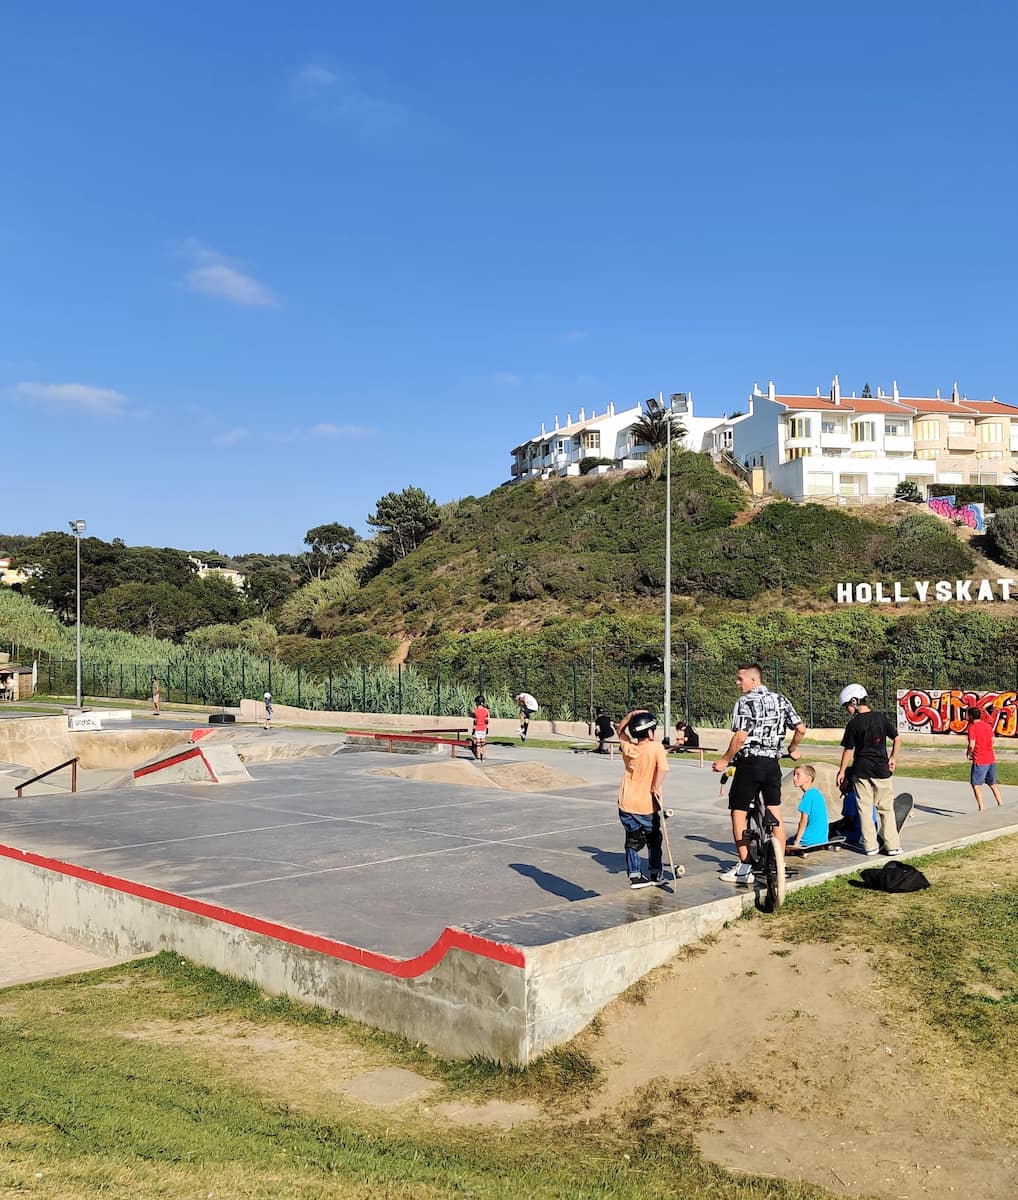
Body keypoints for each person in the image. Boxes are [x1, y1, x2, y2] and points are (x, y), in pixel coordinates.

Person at [713, 662, 806, 885]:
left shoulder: (745, 702)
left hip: (750, 763)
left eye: (740, 679)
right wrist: (792, 749)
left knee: (738, 812)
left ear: (753, 680)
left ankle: (744, 868)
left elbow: (740, 737)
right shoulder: (781, 699)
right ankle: (779, 863)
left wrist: (724, 760)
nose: (737, 683)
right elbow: (801, 728)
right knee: (774, 811)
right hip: (772, 764)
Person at [836, 684, 901, 856]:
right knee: (886, 808)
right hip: (882, 768)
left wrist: (842, 771)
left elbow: (848, 750)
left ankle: (870, 846)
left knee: (864, 808)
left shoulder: (853, 724)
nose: (847, 709)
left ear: (854, 701)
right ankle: (892, 845)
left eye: (847, 706)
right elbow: (897, 738)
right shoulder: (881, 718)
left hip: (861, 769)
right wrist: (893, 758)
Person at [616, 709, 669, 889]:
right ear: (650, 732)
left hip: (626, 803)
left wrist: (630, 716)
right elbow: (663, 769)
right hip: (646, 804)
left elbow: (620, 732)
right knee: (654, 839)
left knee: (633, 838)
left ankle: (635, 875)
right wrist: (655, 787)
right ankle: (655, 873)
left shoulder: (629, 748)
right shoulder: (656, 747)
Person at [967, 706, 1003, 811]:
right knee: (992, 783)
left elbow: (972, 745)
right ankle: (1001, 804)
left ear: (970, 716)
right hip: (991, 758)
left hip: (980, 760)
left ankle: (981, 808)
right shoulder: (987, 726)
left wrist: (969, 752)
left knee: (976, 785)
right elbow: (993, 740)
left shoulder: (972, 728)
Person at [787, 764, 829, 849]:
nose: (794, 778)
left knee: (783, 841)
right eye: (794, 775)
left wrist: (797, 842)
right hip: (822, 839)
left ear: (808, 779)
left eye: (798, 775)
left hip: (809, 840)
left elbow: (803, 821)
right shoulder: (816, 793)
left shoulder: (808, 795)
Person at [471, 694, 490, 761]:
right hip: (484, 728)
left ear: (477, 702)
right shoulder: (486, 711)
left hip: (477, 729)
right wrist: (487, 728)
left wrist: (473, 732)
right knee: (483, 743)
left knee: (478, 743)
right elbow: (487, 721)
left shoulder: (475, 711)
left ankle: (478, 758)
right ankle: (484, 757)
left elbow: (474, 722)